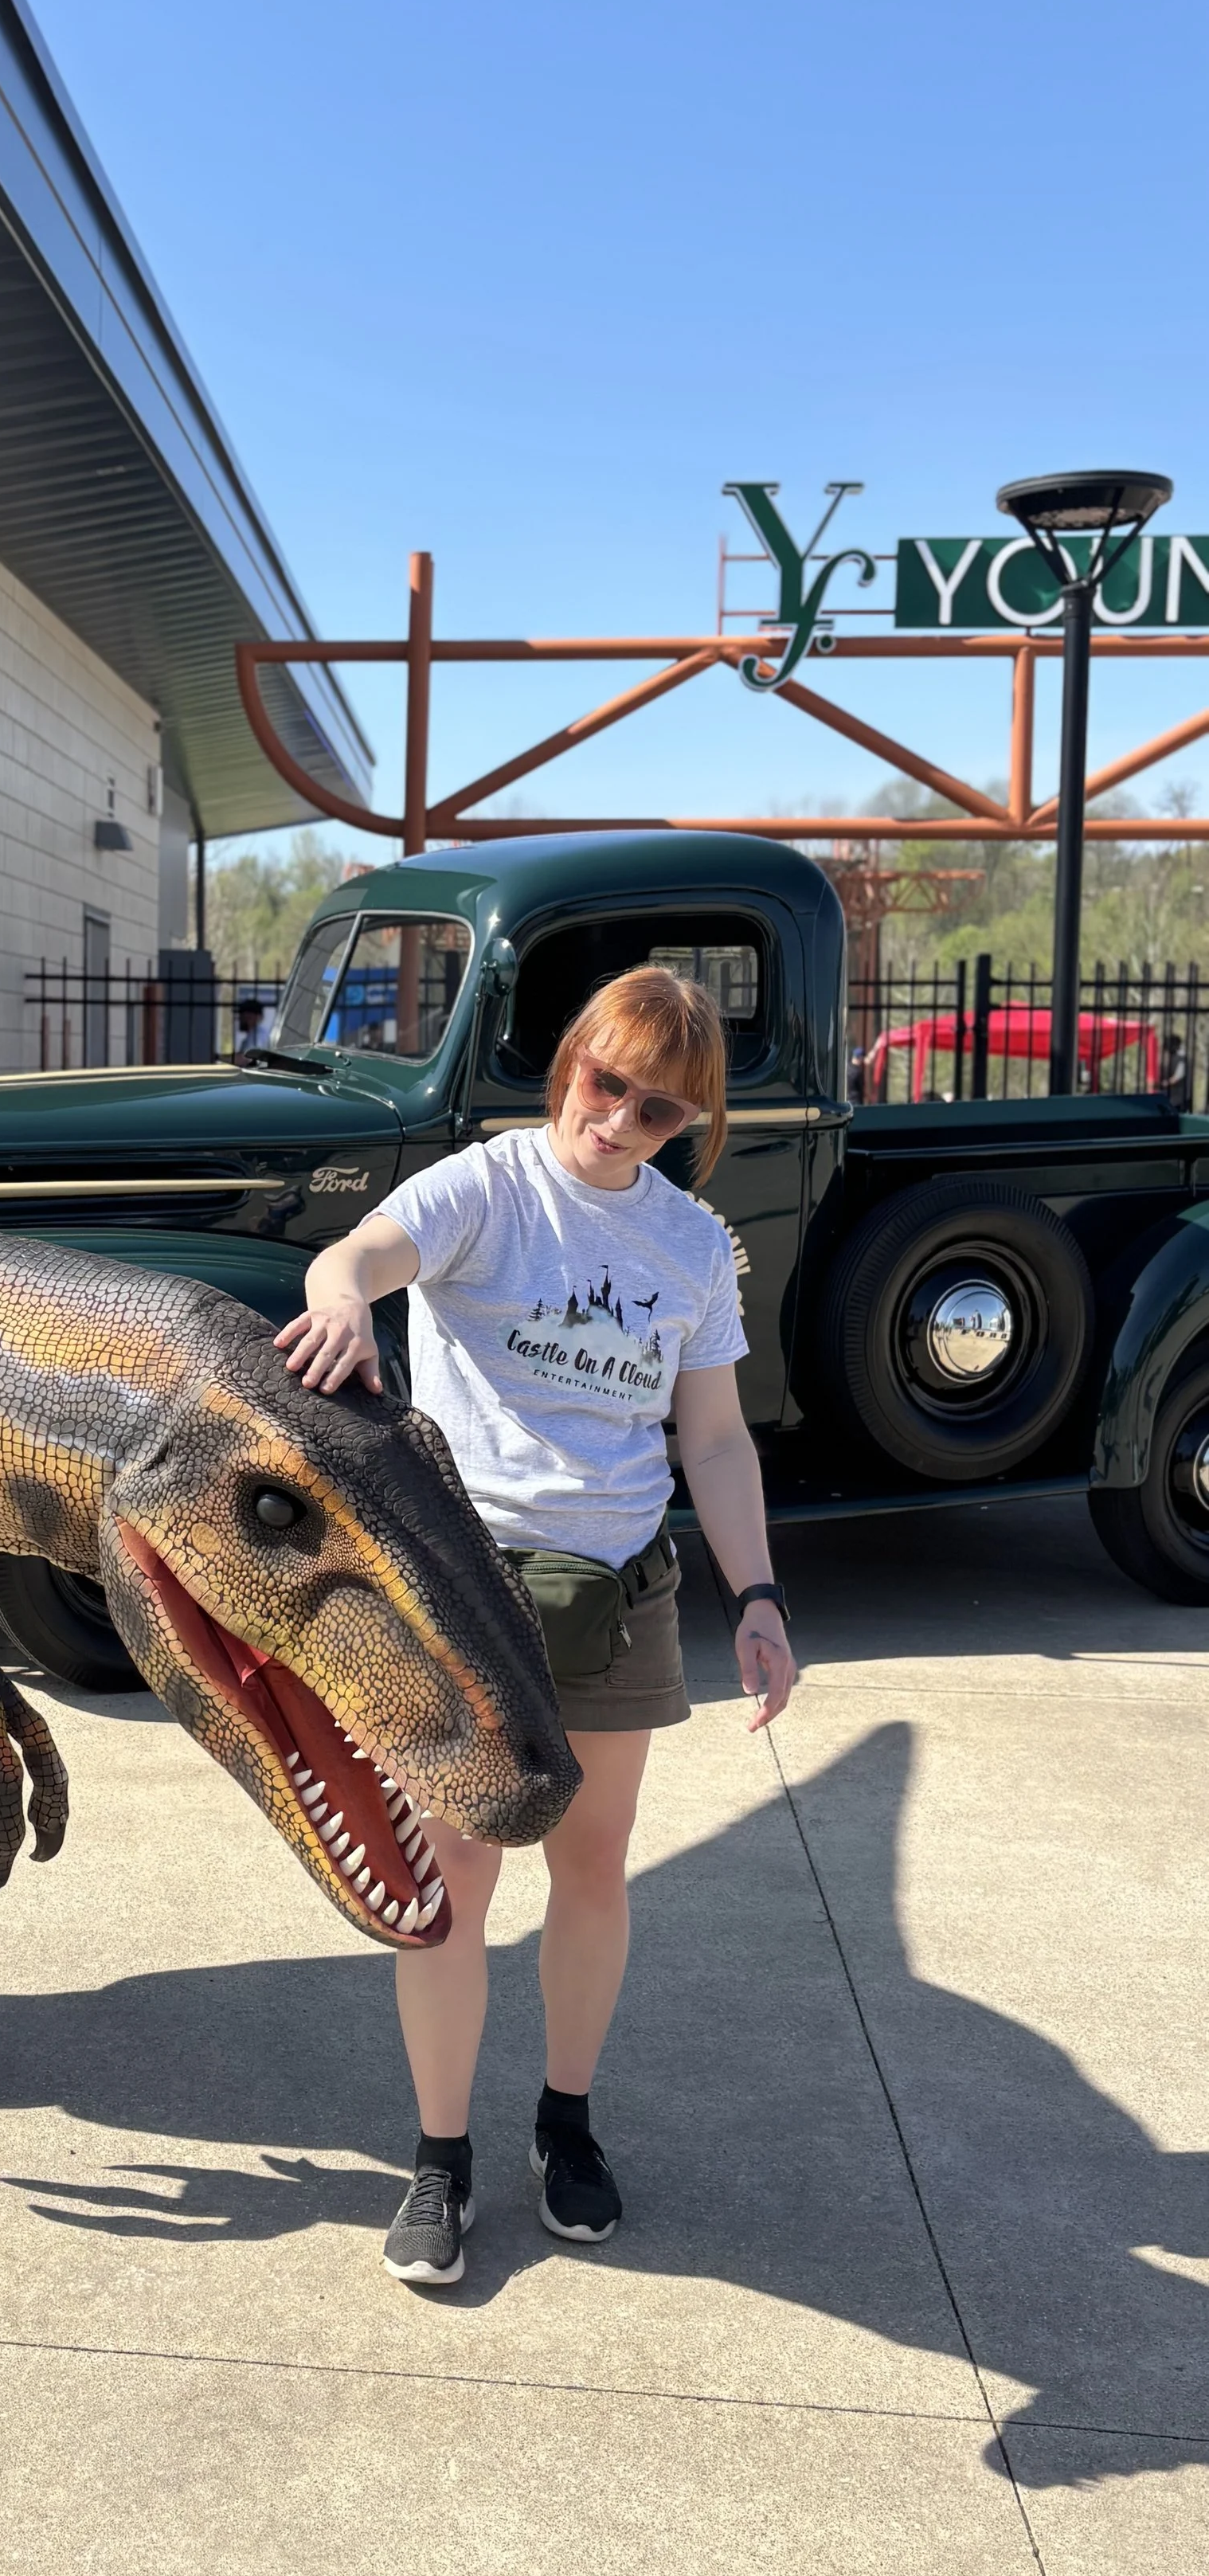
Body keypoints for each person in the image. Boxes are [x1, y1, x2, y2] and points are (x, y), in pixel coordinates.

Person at [274, 964, 797, 2285]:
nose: (615, 1122)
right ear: (570, 1060)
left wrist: (760, 1598)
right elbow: (364, 1251)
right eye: (604, 1082)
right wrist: (342, 1293)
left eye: (658, 1111)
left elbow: (717, 1440)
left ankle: (565, 2122)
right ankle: (438, 2160)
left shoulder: (687, 1248)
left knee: (594, 1868)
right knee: (453, 1878)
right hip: (468, 1591)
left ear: (690, 1126)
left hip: (621, 1588)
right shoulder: (490, 1186)